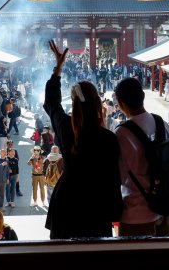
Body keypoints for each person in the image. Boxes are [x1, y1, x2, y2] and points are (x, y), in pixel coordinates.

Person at [43, 40, 123, 239]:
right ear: (98, 103)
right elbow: (114, 178)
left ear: (74, 103)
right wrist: (115, 212)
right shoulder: (109, 138)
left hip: (66, 201)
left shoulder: (66, 128)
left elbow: (51, 103)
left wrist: (58, 69)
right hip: (96, 205)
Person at [114, 77, 169, 237]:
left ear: (120, 102)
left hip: (136, 215)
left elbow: (117, 176)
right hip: (165, 208)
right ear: (143, 96)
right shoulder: (162, 123)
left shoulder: (121, 133)